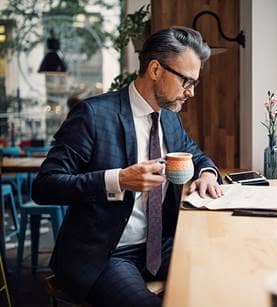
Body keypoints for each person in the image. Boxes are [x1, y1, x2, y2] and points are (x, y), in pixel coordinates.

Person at [32, 27, 224, 306]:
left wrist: (207, 173)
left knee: (225, 277)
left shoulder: (169, 118)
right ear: (156, 70)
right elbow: (45, 185)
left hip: (161, 245)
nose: (191, 93)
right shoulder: (94, 115)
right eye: (186, 81)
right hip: (106, 252)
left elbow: (194, 153)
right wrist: (119, 180)